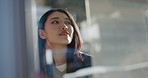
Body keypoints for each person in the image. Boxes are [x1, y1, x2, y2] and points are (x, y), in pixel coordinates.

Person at [38, 8, 92, 78]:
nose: (65, 26)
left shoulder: (88, 62)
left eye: (67, 22)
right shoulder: (34, 66)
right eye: (55, 22)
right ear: (42, 33)